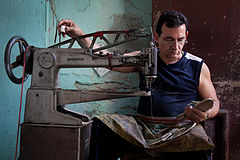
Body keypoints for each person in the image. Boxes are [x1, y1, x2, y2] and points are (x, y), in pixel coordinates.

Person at [58, 10, 220, 160]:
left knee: (200, 144)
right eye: (169, 40)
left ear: (186, 36)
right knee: (102, 126)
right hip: (143, 130)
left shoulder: (197, 66)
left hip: (180, 131)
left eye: (180, 40)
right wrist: (81, 35)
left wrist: (205, 114)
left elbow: (214, 102)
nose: (176, 47)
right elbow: (109, 60)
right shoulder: (145, 58)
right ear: (157, 37)